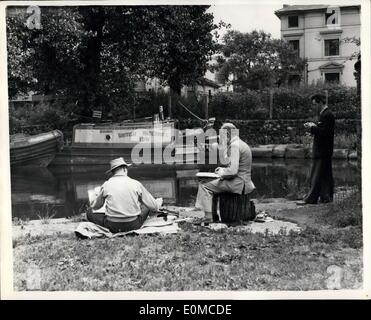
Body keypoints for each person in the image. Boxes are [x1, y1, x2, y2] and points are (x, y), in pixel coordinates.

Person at [195, 123, 255, 222]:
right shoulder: (240, 143)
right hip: (243, 182)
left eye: (222, 135)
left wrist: (221, 172)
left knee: (204, 185)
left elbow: (233, 171)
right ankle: (213, 215)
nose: (221, 139)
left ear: (227, 134)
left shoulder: (235, 146)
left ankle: (209, 217)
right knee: (211, 184)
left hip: (238, 183)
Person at [87, 157, 163, 232]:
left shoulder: (106, 184)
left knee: (89, 212)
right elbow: (154, 207)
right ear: (124, 169)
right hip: (134, 225)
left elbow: (96, 207)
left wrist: (95, 197)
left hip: (112, 226)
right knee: (147, 206)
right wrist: (157, 203)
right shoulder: (135, 183)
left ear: (113, 172)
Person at [297, 93, 335, 205]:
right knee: (325, 175)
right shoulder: (325, 114)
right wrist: (314, 126)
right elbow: (324, 130)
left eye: (314, 104)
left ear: (320, 103)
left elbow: (325, 133)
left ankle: (311, 199)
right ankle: (326, 197)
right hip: (325, 150)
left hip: (322, 150)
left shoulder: (327, 115)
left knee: (316, 175)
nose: (313, 107)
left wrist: (312, 128)